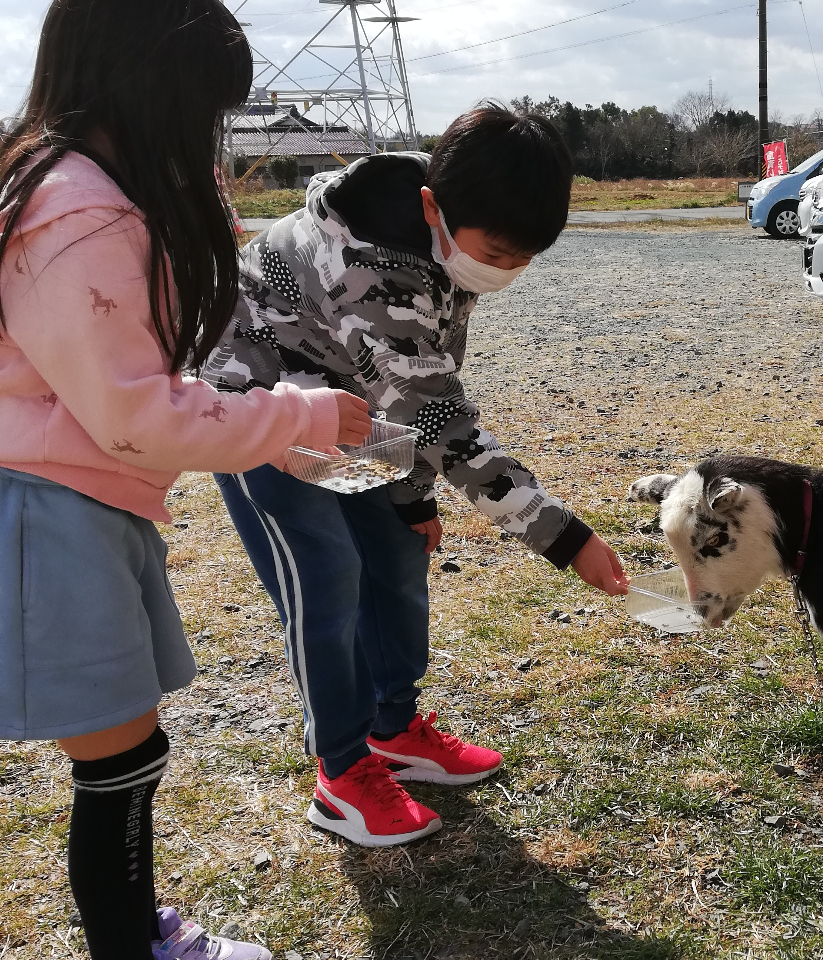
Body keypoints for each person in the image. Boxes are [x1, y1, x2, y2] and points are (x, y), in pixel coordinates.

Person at [0, 2, 373, 957]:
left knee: (124, 751)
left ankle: (135, 932)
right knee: (119, 759)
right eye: (203, 110)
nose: (208, 137)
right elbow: (135, 413)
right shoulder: (78, 209)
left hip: (77, 497)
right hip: (50, 511)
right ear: (149, 88)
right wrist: (300, 416)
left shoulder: (57, 183)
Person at [202, 104, 631, 848]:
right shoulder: (369, 266)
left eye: (524, 258)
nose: (506, 271)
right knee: (326, 577)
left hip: (354, 408)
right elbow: (440, 422)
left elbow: (411, 386)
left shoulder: (441, 232)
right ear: (433, 207)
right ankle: (341, 772)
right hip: (258, 409)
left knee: (399, 554)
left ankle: (393, 728)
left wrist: (410, 499)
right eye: (497, 253)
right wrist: (567, 540)